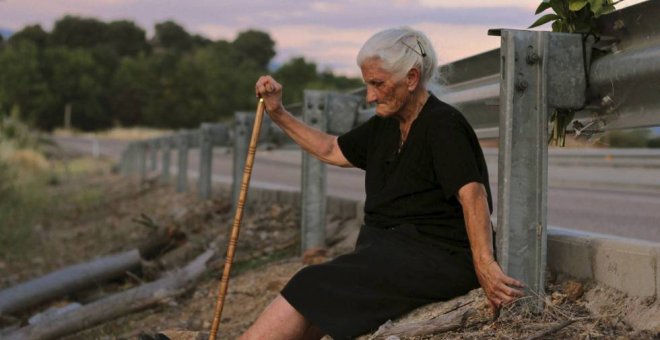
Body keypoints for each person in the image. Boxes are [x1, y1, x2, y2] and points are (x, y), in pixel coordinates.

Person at [244, 27, 524, 340]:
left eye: (377, 84)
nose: (370, 95)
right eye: (367, 83)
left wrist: (485, 265)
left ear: (412, 78)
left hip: (435, 258)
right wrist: (278, 113)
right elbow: (331, 149)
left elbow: (472, 195)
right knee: (314, 311)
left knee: (309, 283)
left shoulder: (443, 124)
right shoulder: (385, 124)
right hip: (389, 254)